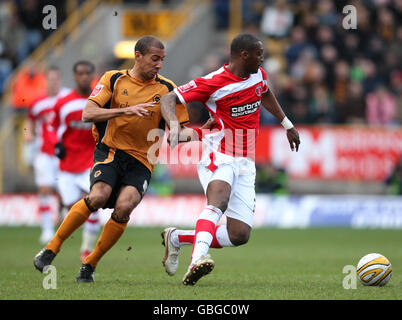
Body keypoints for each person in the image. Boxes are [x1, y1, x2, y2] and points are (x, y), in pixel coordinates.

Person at [33, 36, 194, 283]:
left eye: (162, 60)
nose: (159, 64)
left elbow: (182, 130)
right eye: (155, 59)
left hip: (143, 160)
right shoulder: (113, 79)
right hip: (111, 151)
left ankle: (89, 264)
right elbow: (89, 113)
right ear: (138, 56)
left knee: (124, 206)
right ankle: (51, 248)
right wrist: (125, 109)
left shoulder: (168, 89)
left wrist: (193, 134)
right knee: (97, 196)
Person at [160, 33, 300, 286]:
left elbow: (265, 93)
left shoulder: (258, 75)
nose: (263, 57)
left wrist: (287, 124)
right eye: (259, 53)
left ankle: (177, 238)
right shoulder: (213, 81)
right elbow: (169, 98)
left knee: (239, 234)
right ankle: (197, 260)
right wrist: (173, 125)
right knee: (218, 201)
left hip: (245, 161)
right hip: (218, 152)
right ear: (243, 55)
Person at [25, 66, 70, 245]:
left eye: (56, 79)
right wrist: (27, 134)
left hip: (65, 151)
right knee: (44, 189)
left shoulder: (67, 97)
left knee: (63, 193)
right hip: (44, 152)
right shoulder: (38, 103)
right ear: (46, 80)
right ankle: (47, 230)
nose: (54, 82)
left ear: (60, 79)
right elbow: (29, 119)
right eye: (50, 79)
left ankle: (61, 221)